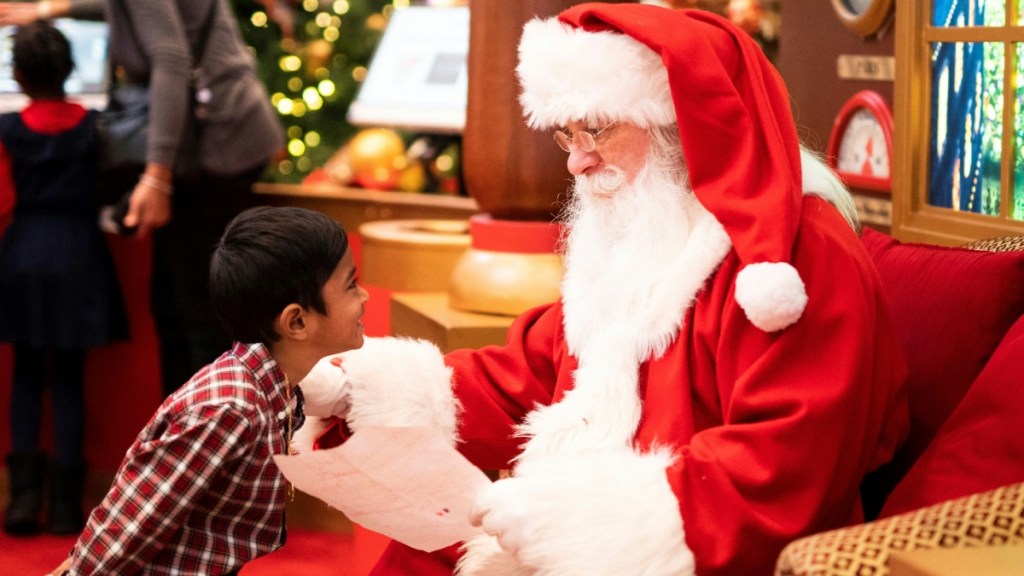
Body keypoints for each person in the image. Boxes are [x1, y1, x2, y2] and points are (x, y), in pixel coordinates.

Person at [300, 3, 910, 575]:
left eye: (596, 129)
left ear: (684, 126)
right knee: (422, 551)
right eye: (567, 135)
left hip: (696, 549)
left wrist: (569, 519)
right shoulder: (647, 231)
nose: (576, 162)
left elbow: (784, 470)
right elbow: (531, 374)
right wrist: (362, 386)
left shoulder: (791, 263)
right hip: (580, 519)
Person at [45, 206, 367, 575]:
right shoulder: (230, 407)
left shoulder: (274, 389)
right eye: (351, 285)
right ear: (296, 321)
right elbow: (133, 522)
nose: (364, 297)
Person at [0, 0, 286, 397]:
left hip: (216, 147)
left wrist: (156, 178)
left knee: (201, 308)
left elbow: (169, 60)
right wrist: (53, 9)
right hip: (205, 144)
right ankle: (185, 432)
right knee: (171, 306)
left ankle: (215, 435)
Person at [0, 20, 128, 537]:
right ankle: (66, 507)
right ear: (71, 69)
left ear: (19, 73)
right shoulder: (94, 126)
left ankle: (22, 501)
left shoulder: (7, 128)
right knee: (70, 377)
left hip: (23, 253)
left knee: (27, 374)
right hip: (80, 253)